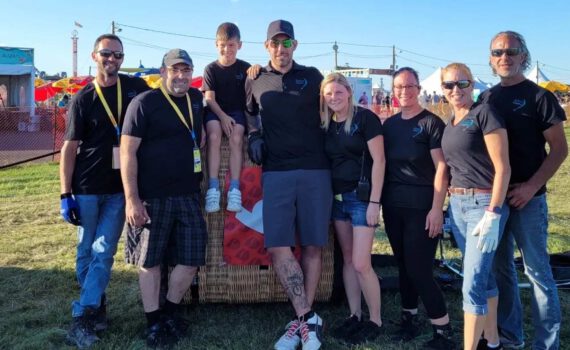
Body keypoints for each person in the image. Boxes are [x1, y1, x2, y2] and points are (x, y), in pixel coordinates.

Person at [245, 19, 331, 350]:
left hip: (315, 170)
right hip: (276, 171)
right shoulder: (255, 79)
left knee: (311, 245)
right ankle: (309, 318)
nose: (281, 49)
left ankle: (301, 323)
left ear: (295, 45)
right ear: (267, 46)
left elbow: (335, 106)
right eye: (275, 44)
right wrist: (254, 134)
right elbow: (249, 111)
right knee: (278, 245)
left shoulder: (313, 76)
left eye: (288, 43)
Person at [479, 31, 568, 350]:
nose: (505, 56)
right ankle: (511, 336)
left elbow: (559, 149)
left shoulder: (539, 96)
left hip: (529, 200)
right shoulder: (486, 98)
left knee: (538, 273)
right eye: (498, 52)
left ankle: (547, 343)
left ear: (523, 56)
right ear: (491, 59)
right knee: (501, 270)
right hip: (495, 200)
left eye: (512, 51)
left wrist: (531, 187)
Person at [59, 33, 149, 348]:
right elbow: (69, 149)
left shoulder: (135, 88)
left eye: (118, 55)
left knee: (103, 250)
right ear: (94, 56)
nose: (112, 60)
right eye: (106, 53)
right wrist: (64, 193)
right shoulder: (83, 99)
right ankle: (96, 306)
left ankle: (83, 315)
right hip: (85, 188)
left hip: (119, 190)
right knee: (85, 250)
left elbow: (165, 97)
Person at [121, 48, 207, 348]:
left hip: (187, 193)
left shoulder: (196, 99)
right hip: (152, 196)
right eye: (175, 70)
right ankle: (153, 321)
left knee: (192, 257)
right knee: (150, 261)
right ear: (163, 72)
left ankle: (170, 311)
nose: (181, 76)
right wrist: (132, 198)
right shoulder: (144, 103)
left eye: (186, 70)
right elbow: (127, 153)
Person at [381, 67, 454, 349]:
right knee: (402, 265)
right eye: (398, 87)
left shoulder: (431, 123)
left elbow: (442, 169)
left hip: (422, 207)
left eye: (409, 86)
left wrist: (437, 209)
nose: (403, 91)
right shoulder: (389, 125)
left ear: (419, 89)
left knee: (420, 268)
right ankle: (409, 318)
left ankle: (442, 329)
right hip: (393, 206)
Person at [440, 63, 511, 350]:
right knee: (483, 277)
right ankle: (492, 341)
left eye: (462, 83)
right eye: (449, 85)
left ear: (472, 85)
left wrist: (493, 212)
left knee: (471, 284)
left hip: (483, 204)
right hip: (457, 205)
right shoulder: (451, 121)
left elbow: (503, 167)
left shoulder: (485, 114)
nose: (455, 90)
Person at [321, 73, 385, 345]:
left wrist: (374, 203)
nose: (333, 97)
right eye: (328, 94)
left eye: (338, 92)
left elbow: (380, 160)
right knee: (347, 260)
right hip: (337, 199)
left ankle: (376, 319)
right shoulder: (326, 124)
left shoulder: (364, 119)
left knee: (361, 263)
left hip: (361, 199)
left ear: (348, 92)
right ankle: (355, 314)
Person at [202, 22, 251, 213]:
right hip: (216, 110)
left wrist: (256, 68)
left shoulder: (246, 68)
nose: (226, 49)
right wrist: (222, 117)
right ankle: (213, 188)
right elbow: (209, 98)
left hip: (237, 112)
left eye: (231, 45)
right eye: (222, 45)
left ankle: (234, 189)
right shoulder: (210, 69)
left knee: (236, 138)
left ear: (239, 45)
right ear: (216, 44)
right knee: (214, 136)